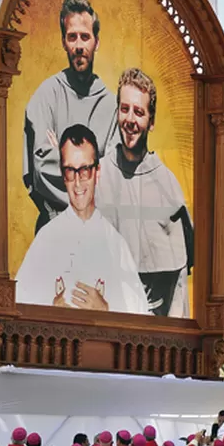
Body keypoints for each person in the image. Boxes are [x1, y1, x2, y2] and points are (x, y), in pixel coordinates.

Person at [15, 124, 151, 315]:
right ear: (63, 176)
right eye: (70, 171)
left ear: (97, 172)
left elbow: (140, 316)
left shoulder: (116, 244)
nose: (78, 182)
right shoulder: (47, 238)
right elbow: (18, 304)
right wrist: (51, 309)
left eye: (85, 170)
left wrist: (106, 310)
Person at [95, 68, 193, 318]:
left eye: (139, 112)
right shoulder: (97, 176)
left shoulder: (168, 187)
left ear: (151, 121)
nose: (130, 119)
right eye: (124, 109)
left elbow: (178, 285)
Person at [24, 0, 119, 233]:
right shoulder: (46, 96)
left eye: (85, 37)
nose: (79, 45)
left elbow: (113, 179)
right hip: (54, 230)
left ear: (96, 42)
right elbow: (42, 168)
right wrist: (92, 167)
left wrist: (62, 158)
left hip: (98, 233)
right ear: (63, 42)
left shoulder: (111, 107)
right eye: (72, 37)